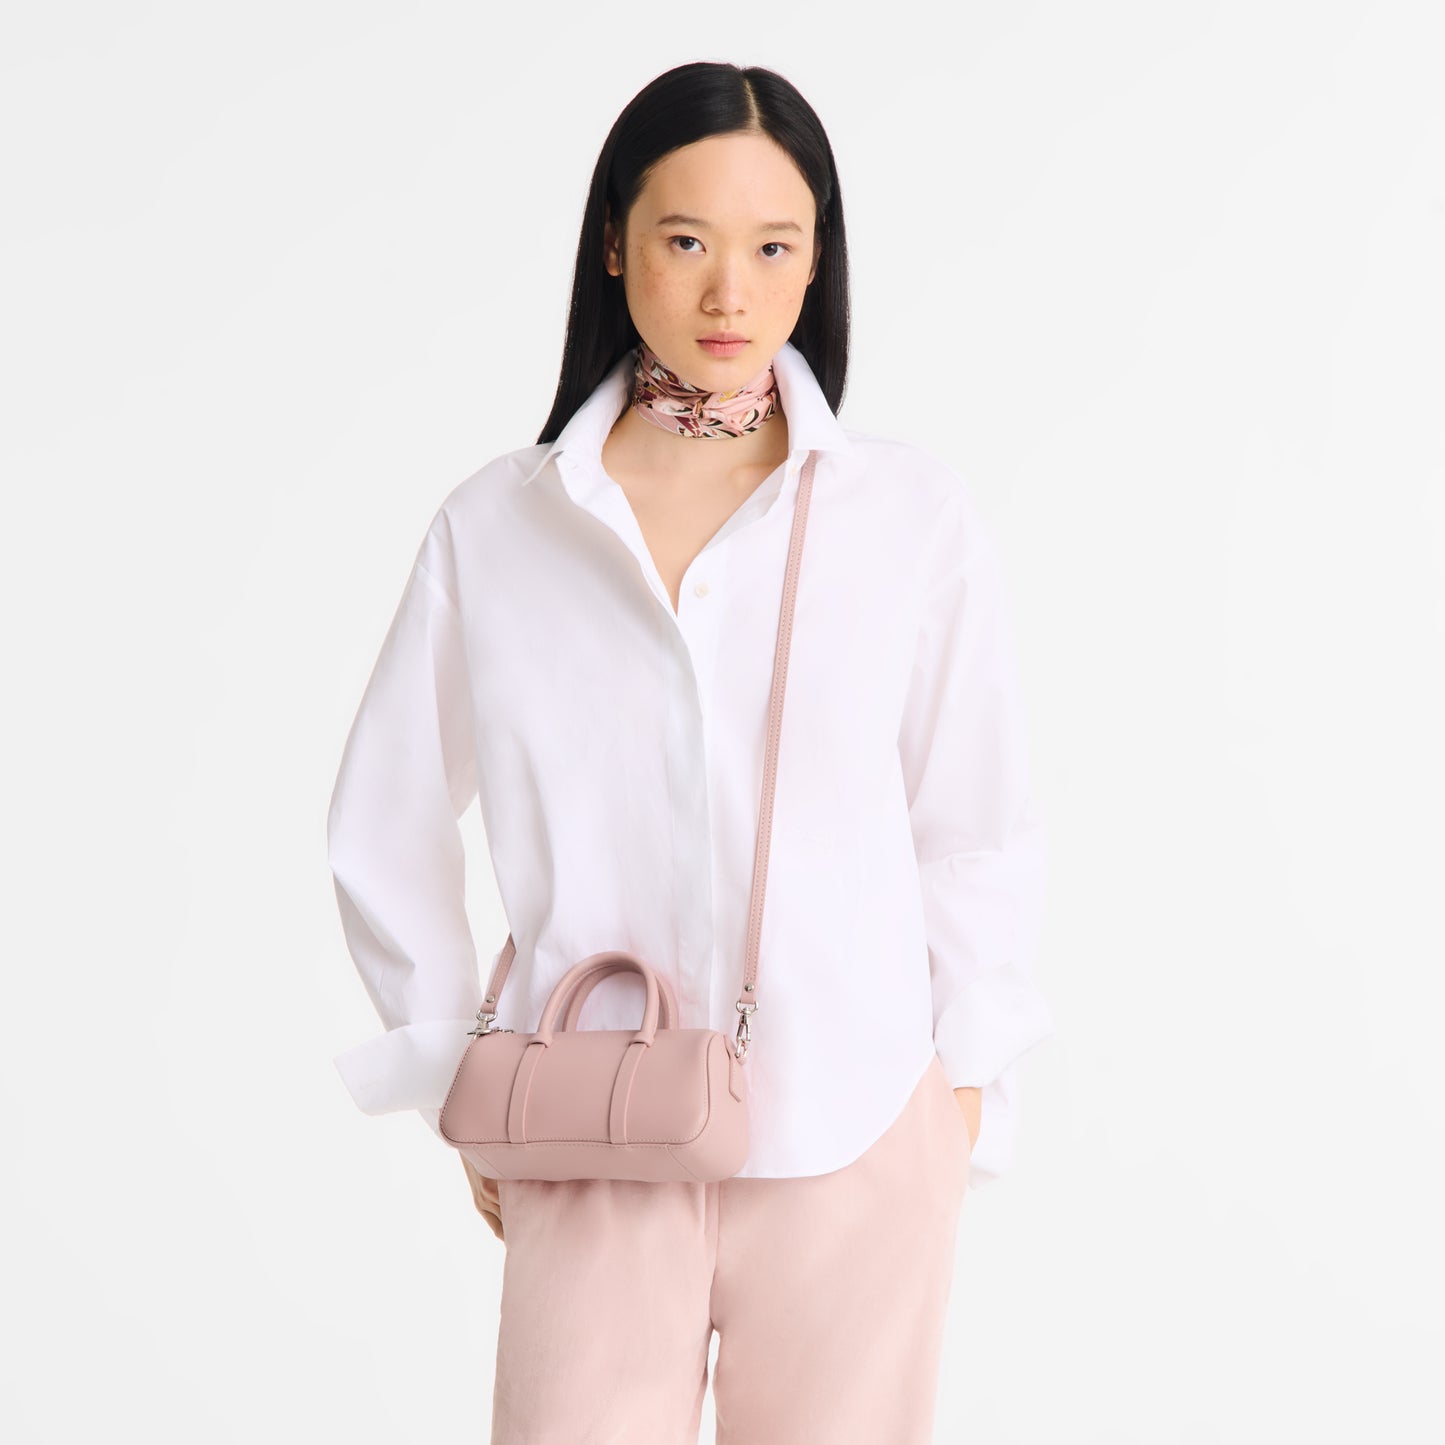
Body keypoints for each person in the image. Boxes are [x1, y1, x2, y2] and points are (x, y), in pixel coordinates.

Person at [326, 60, 1055, 1444]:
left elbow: (972, 819)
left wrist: (961, 1088)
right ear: (614, 244)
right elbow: (388, 815)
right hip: (588, 1126)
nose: (732, 292)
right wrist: (452, 1070)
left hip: (857, 1129)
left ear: (817, 262)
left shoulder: (906, 516)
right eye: (685, 240)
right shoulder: (502, 527)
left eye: (774, 247)